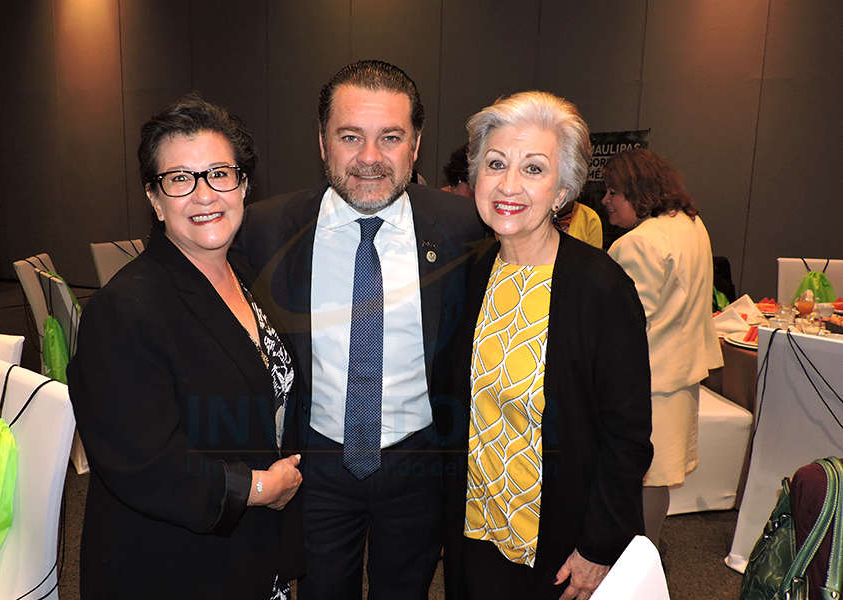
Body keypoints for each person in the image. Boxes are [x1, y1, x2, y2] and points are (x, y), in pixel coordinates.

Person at [238, 60, 487, 600]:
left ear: (415, 146)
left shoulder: (464, 228)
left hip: (420, 461)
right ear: (322, 142)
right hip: (315, 464)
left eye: (390, 137)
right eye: (350, 136)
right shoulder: (265, 229)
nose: (370, 157)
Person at [67, 93, 303, 599]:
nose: (204, 194)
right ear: (154, 199)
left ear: (243, 185)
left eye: (219, 173)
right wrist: (260, 488)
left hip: (250, 553)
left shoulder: (244, 278)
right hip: (173, 564)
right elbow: (143, 464)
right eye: (180, 179)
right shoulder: (124, 309)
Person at [445, 91, 653, 600]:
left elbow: (626, 437)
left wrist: (599, 546)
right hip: (476, 532)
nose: (508, 184)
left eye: (533, 168)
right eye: (496, 163)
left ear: (562, 191)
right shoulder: (472, 272)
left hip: (560, 549)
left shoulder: (601, 288)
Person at [601, 148, 723, 547]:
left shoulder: (637, 244)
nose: (605, 201)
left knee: (641, 479)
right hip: (680, 374)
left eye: (613, 192)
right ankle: (645, 553)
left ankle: (634, 560)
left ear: (638, 192)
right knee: (657, 478)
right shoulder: (692, 225)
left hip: (645, 383)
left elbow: (623, 328)